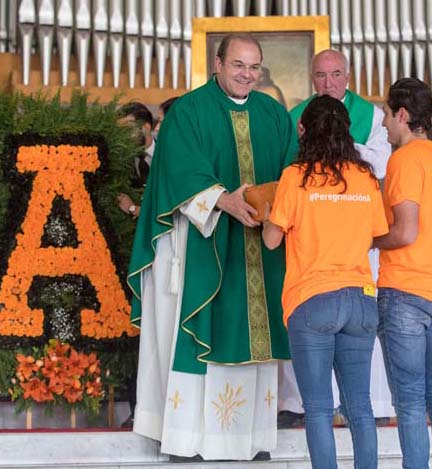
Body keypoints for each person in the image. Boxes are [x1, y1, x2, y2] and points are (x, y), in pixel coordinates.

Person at [126, 33, 295, 462]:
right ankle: (189, 439)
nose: (247, 75)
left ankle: (250, 438)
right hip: (205, 240)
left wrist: (275, 205)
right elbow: (179, 170)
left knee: (257, 334)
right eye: (238, 65)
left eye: (255, 67)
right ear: (217, 64)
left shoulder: (274, 114)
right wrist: (224, 201)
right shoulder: (189, 111)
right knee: (202, 329)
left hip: (262, 246)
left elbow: (293, 172)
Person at [263, 95, 387, 469]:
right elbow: (374, 235)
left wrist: (269, 213)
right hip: (361, 299)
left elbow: (271, 240)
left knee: (317, 410)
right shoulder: (365, 178)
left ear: (302, 130)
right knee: (360, 408)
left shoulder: (294, 177)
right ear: (346, 132)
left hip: (312, 299)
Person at [279, 48, 394, 429]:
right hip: (314, 247)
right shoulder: (295, 116)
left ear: (348, 76)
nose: (328, 83)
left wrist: (332, 148)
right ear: (311, 79)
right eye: (320, 76)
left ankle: (375, 404)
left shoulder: (373, 116)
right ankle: (294, 401)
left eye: (335, 75)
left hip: (350, 250)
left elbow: (383, 164)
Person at [374, 78, 432, 468]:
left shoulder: (404, 160)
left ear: (404, 115)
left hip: (406, 290)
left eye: (388, 117)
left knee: (409, 399)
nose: (384, 126)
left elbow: (405, 232)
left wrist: (371, 238)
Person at [116, 101, 155, 218]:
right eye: (120, 130)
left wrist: (133, 209)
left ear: (146, 127)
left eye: (128, 129)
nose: (124, 135)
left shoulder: (168, 156)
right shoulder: (120, 161)